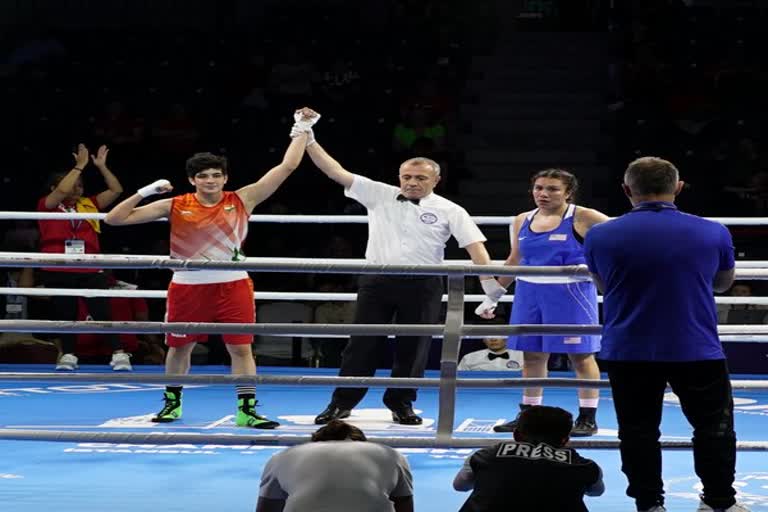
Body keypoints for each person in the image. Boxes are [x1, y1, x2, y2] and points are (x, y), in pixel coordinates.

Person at [104, 110, 315, 429]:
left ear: (225, 178)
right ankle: (171, 406)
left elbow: (287, 167)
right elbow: (113, 219)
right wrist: (146, 191)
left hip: (233, 285)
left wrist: (302, 128)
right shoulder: (174, 205)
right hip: (187, 286)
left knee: (241, 348)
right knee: (179, 347)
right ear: (193, 180)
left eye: (216, 175)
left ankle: (247, 410)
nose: (210, 180)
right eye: (203, 176)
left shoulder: (243, 199)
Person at [294, 107, 496, 426]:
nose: (412, 182)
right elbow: (334, 171)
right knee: (361, 344)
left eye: (420, 178)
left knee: (413, 348)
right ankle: (342, 402)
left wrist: (491, 293)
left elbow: (476, 250)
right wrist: (308, 134)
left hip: (424, 283)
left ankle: (401, 403)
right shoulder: (380, 194)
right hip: (377, 280)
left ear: (436, 179)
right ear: (399, 176)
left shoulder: (450, 209)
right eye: (407, 177)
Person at [584, 156, 749, 512]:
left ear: (627, 190)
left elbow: (602, 283)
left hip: (630, 348)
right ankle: (720, 502)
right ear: (678, 187)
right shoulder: (714, 231)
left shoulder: (599, 234)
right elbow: (723, 284)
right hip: (696, 347)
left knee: (638, 431)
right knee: (714, 429)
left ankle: (649, 504)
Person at [475, 169, 609, 436]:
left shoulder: (585, 217)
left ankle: (587, 417)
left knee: (581, 356)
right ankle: (528, 415)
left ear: (568, 192)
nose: (543, 194)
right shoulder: (522, 219)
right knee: (532, 356)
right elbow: (514, 260)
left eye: (552, 189)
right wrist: (492, 296)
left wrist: (593, 266)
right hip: (529, 294)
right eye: (538, 188)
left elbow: (623, 241)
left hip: (572, 295)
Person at [37, 143, 130, 371]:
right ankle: (68, 355)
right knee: (65, 313)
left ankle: (119, 354)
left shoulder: (89, 205)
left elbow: (116, 190)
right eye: (72, 184)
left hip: (90, 267)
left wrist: (101, 167)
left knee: (102, 312)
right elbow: (60, 192)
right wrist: (79, 166)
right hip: (57, 268)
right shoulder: (46, 204)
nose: (77, 189)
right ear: (52, 188)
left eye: (80, 185)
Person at [453, 405, 604, 512]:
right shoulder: (585, 466)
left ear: (516, 435)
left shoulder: (484, 456)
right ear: (565, 440)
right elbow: (596, 492)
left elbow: (460, 486)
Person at [256, 420, 414, 512]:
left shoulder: (282, 457)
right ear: (362, 442)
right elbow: (404, 505)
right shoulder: (391, 454)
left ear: (315, 442)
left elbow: (267, 509)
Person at [457, 337, 523, 371]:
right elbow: (457, 379)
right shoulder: (469, 358)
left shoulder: (523, 356)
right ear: (483, 339)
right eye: (489, 336)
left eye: (498, 335)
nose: (493, 339)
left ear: (507, 338)